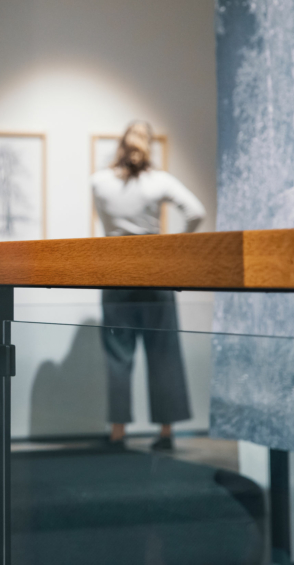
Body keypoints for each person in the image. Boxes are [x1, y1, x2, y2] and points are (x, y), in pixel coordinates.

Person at [91, 120, 205, 451]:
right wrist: (176, 246)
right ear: (149, 146)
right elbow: (196, 212)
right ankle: (166, 432)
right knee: (163, 352)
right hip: (156, 271)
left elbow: (105, 220)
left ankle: (117, 434)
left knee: (118, 356)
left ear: (121, 145)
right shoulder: (160, 181)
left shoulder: (98, 182)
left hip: (115, 273)